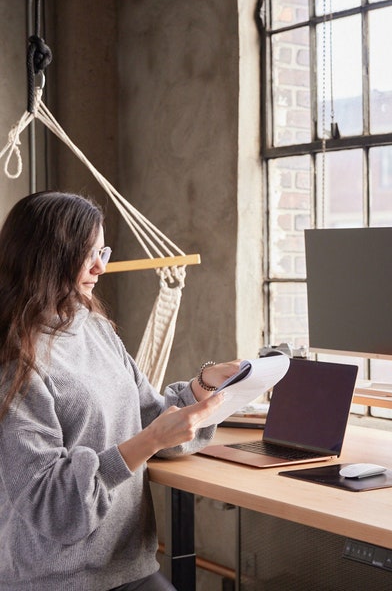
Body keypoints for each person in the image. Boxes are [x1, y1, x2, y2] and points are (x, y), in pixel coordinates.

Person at [0, 191, 240, 591]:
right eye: (88, 254)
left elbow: (149, 417)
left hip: (128, 564)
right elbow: (53, 504)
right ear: (49, 256)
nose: (101, 266)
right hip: (53, 579)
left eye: (103, 251)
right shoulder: (15, 362)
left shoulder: (94, 328)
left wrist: (203, 387)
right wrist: (148, 441)